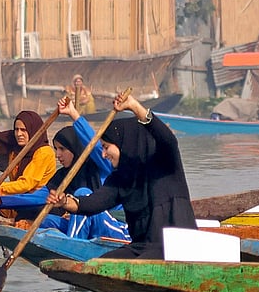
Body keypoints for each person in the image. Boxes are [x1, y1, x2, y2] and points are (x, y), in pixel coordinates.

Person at [48, 92, 195, 258]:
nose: (103, 154)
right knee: (99, 264)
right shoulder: (120, 178)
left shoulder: (164, 163)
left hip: (177, 246)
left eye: (106, 147)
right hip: (142, 248)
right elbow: (93, 203)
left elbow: (167, 138)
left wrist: (134, 106)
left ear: (123, 145)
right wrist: (65, 202)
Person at [39, 97, 131, 242]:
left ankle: (71, 246)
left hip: (122, 229)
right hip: (99, 219)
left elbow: (93, 144)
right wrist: (0, 200)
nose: (104, 153)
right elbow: (41, 196)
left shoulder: (117, 168)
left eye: (106, 148)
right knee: (46, 221)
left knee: (83, 194)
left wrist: (74, 114)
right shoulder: (110, 169)